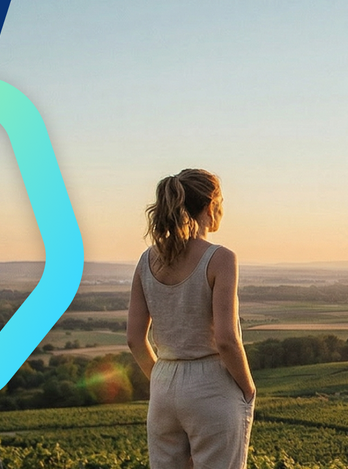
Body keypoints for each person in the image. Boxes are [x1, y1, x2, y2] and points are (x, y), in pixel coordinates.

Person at [126, 169, 254, 469]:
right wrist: (248, 388)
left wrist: (162, 378)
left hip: (163, 384)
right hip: (212, 383)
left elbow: (134, 339)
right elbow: (226, 339)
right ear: (211, 206)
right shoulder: (221, 258)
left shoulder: (146, 260)